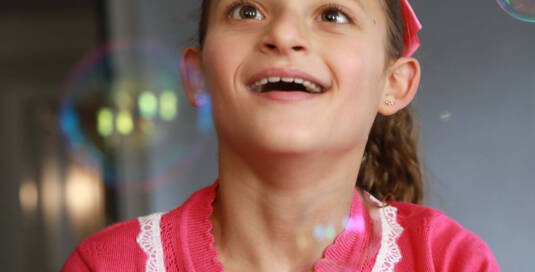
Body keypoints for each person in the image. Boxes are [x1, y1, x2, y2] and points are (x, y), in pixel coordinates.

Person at [62, 0, 500, 271]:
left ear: (394, 84)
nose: (284, 36)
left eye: (332, 14)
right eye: (247, 11)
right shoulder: (106, 265)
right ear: (198, 75)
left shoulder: (448, 261)